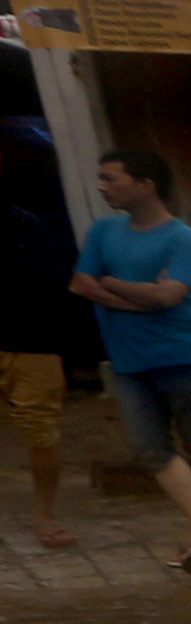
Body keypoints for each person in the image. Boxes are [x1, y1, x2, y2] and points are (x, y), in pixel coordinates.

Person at [68, 147, 191, 575]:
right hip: (129, 360)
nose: (101, 187)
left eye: (110, 178)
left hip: (183, 355)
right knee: (150, 448)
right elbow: (81, 284)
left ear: (145, 185)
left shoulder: (184, 239)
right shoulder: (104, 230)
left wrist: (111, 282)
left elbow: (169, 296)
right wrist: (138, 297)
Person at [4, 133, 77, 549]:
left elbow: (54, 285)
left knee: (43, 434)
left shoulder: (26, 224)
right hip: (31, 341)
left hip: (32, 343)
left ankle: (44, 513)